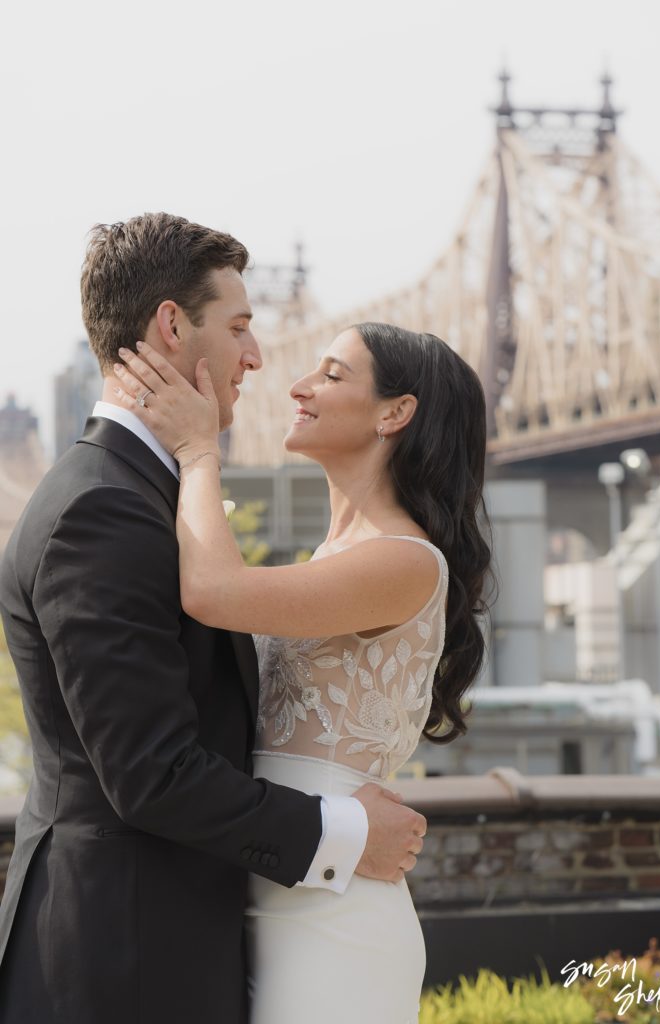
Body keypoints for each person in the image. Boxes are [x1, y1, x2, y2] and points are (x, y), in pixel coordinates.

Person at [0, 213, 427, 1024]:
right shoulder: (103, 510)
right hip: (119, 961)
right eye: (238, 328)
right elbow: (150, 773)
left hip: (162, 944)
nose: (259, 357)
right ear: (170, 325)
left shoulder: (139, 496)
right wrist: (343, 834)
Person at [111, 316, 493, 1023]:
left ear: (395, 413)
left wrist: (199, 452)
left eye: (330, 374)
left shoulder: (402, 561)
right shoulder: (336, 558)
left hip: (334, 923)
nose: (297, 385)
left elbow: (212, 593)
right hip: (276, 885)